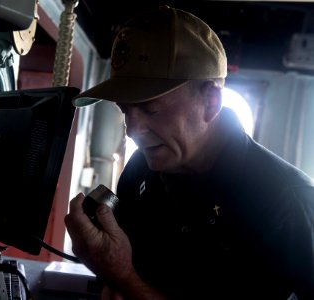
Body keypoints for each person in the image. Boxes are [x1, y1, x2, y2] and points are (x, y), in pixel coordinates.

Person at [64, 5, 314, 300]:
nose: (132, 130)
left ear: (211, 102)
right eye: (124, 110)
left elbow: (128, 277)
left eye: (150, 109)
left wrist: (125, 279)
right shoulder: (139, 169)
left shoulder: (287, 201)